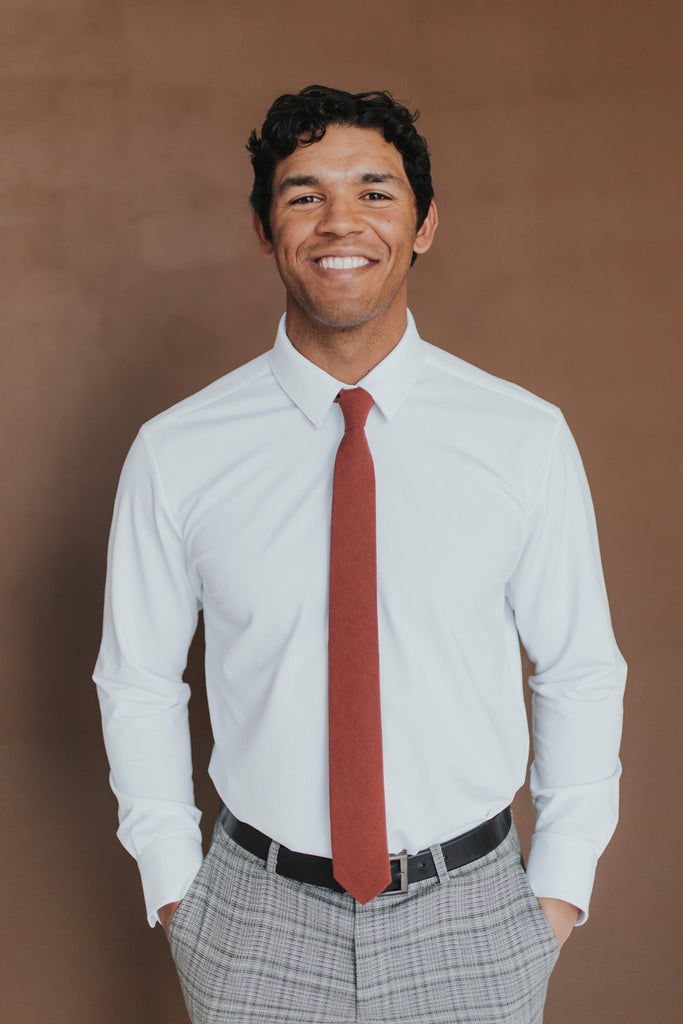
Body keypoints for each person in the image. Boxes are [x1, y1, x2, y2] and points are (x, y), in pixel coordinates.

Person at [94, 85, 626, 1024]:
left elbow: (578, 669)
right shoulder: (177, 451)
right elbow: (137, 681)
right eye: (304, 195)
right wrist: (179, 894)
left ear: (422, 225)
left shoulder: (522, 438)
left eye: (375, 192)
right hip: (253, 921)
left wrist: (555, 895)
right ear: (265, 230)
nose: (340, 220)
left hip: (473, 918)